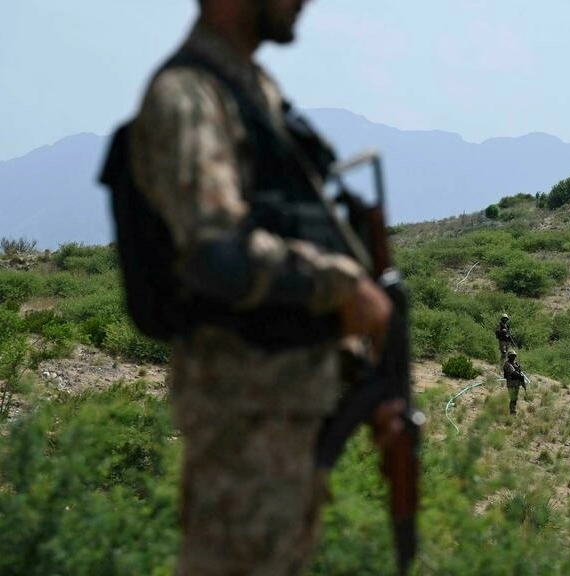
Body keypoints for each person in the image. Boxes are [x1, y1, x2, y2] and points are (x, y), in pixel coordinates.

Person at [125, 1, 400, 573]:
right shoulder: (188, 95)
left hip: (285, 420)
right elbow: (217, 253)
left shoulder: (252, 90)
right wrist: (344, 286)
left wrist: (363, 378)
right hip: (242, 423)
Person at [502, 350, 527, 415]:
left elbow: (520, 374)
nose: (513, 357)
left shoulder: (515, 364)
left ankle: (513, 411)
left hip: (516, 383)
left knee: (515, 398)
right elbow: (515, 374)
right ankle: (512, 412)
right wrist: (520, 376)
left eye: (514, 356)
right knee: (513, 398)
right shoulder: (507, 364)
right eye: (512, 356)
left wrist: (522, 382)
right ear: (509, 357)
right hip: (511, 383)